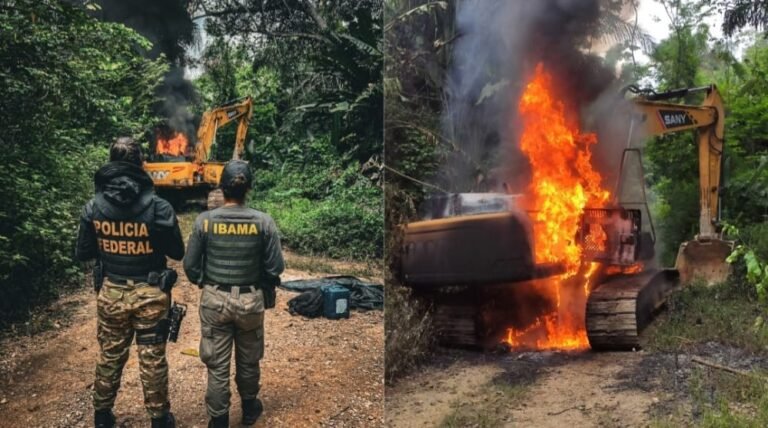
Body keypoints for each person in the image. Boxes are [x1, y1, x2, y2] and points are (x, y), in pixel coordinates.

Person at [76, 137, 184, 428]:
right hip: (151, 294)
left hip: (111, 292)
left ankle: (101, 415)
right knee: (152, 358)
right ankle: (160, 419)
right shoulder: (159, 208)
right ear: (141, 164)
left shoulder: (92, 207)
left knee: (110, 353)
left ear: (111, 162)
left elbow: (83, 252)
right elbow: (177, 252)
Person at [183, 160, 285, 427]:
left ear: (221, 187)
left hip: (215, 300)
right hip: (251, 301)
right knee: (249, 360)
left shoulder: (204, 222)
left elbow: (190, 267)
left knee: (217, 365)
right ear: (248, 188)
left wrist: (207, 281)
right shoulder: (264, 222)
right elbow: (275, 268)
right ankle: (250, 408)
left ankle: (219, 420)